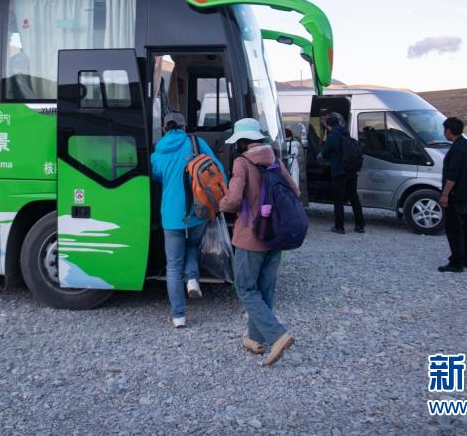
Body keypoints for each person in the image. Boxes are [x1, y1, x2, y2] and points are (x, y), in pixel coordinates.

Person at [219, 118, 299, 366]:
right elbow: (295, 192)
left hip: (250, 237)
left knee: (245, 288)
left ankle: (277, 335)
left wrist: (220, 205)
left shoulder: (242, 162)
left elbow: (233, 200)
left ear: (242, 142)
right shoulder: (275, 160)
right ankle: (256, 339)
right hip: (276, 236)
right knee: (264, 290)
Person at [150, 112, 226, 327]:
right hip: (197, 211)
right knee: (192, 244)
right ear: (184, 126)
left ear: (164, 129)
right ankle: (192, 278)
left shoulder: (157, 152)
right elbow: (217, 170)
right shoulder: (197, 143)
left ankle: (178, 316)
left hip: (171, 216)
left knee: (173, 266)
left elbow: (156, 177)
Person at [438, 117, 467, 272]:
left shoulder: (457, 150)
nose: (444, 132)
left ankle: (456, 263)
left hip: (457, 195)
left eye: (445, 130)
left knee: (454, 229)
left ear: (449, 130)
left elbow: (452, 175)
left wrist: (445, 194)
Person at [318, 114, 366, 233]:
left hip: (338, 172)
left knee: (338, 200)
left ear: (329, 126)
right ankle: (360, 225)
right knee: (354, 198)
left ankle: (339, 227)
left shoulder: (332, 137)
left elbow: (325, 154)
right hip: (351, 170)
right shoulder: (346, 133)